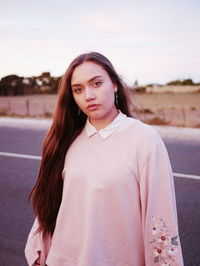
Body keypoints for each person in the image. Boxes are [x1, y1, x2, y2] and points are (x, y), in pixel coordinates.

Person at [25, 52, 184, 266]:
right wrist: (39, 252)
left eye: (97, 83)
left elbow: (161, 219)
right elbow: (51, 204)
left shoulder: (144, 140)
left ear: (115, 84)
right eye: (78, 89)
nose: (88, 95)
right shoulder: (65, 139)